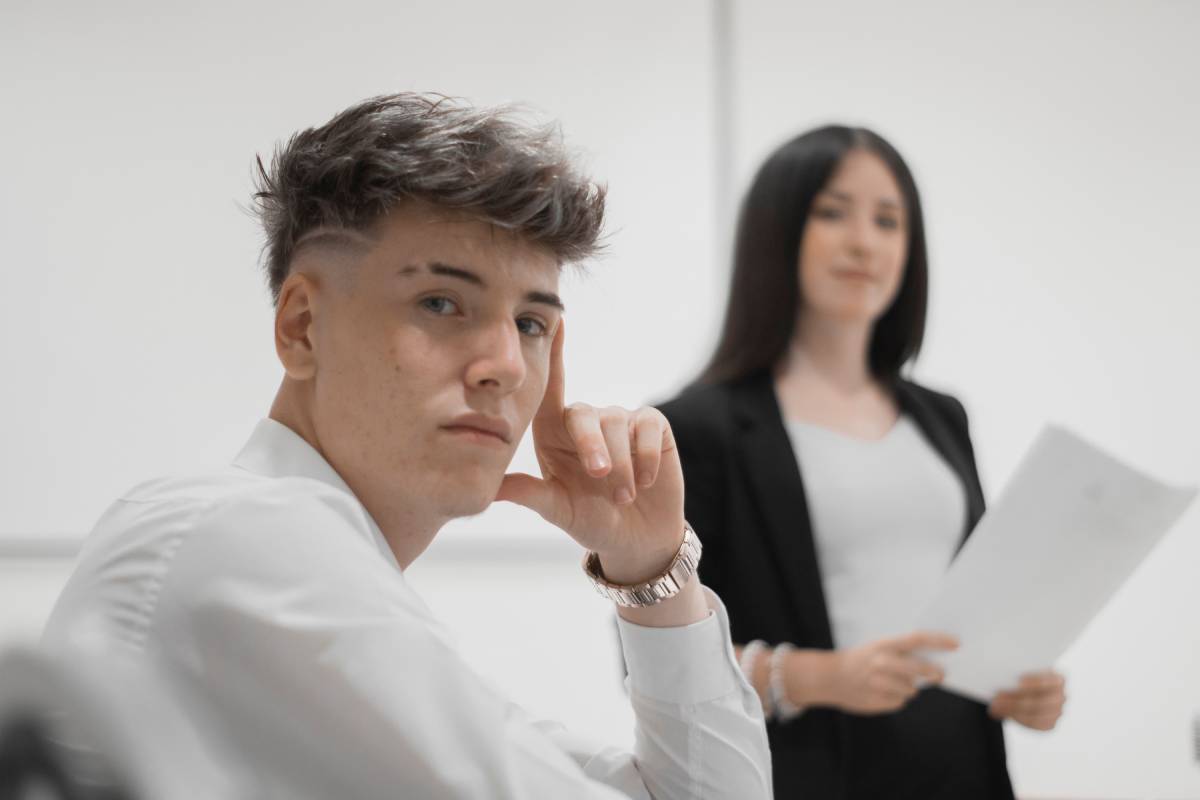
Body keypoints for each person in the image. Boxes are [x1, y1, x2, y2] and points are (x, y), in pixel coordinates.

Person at [41, 93, 771, 799]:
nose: (507, 366)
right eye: (441, 303)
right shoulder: (243, 536)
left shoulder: (329, 586)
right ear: (300, 327)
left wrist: (653, 571)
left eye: (531, 323)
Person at [657, 125, 1067, 799]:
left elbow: (978, 607)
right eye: (832, 212)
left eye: (888, 220)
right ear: (777, 231)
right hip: (809, 774)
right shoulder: (699, 428)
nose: (864, 242)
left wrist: (1023, 682)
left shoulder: (942, 417)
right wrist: (824, 677)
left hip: (964, 769)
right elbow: (660, 665)